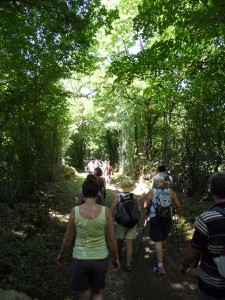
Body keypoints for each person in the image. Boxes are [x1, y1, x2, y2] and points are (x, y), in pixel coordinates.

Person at [57, 176, 120, 300]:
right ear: (97, 192)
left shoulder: (75, 211)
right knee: (97, 292)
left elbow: (68, 237)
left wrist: (61, 253)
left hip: (80, 259)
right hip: (100, 259)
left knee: (84, 294)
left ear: (83, 193)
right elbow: (112, 238)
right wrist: (116, 257)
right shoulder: (106, 211)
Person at [180, 171, 225, 300]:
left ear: (211, 191)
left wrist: (184, 263)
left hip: (212, 286)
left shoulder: (207, 219)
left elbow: (193, 253)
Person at [144, 177, 181, 275]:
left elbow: (145, 205)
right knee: (164, 238)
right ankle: (161, 253)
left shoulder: (152, 191)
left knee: (157, 241)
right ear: (163, 183)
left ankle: (160, 266)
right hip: (167, 218)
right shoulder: (170, 191)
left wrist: (150, 204)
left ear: (155, 183)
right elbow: (178, 205)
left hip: (155, 218)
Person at [110, 179, 141, 272]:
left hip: (121, 223)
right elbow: (139, 209)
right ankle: (128, 264)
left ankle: (118, 257)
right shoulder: (134, 196)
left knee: (119, 240)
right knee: (129, 242)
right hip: (132, 223)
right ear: (130, 188)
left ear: (122, 188)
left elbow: (111, 209)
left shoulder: (118, 197)